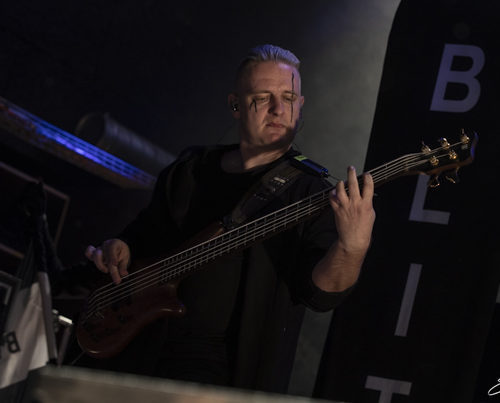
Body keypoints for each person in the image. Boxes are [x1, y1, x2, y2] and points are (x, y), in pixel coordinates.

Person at [83, 44, 375, 393]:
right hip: (140, 353)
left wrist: (352, 248)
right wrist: (122, 247)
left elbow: (322, 295)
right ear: (235, 105)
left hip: (223, 378)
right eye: (262, 98)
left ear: (300, 105)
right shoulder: (191, 169)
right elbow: (144, 234)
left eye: (288, 98)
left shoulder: (310, 193)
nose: (278, 109)